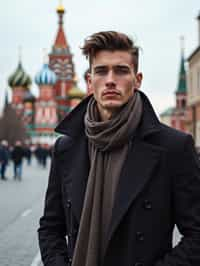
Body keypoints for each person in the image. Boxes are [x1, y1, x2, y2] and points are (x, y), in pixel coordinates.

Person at [38, 31, 200, 266]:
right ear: (89, 81)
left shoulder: (173, 147)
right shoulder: (67, 148)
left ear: (138, 80)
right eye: (101, 71)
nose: (111, 80)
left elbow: (196, 234)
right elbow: (51, 227)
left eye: (122, 70)